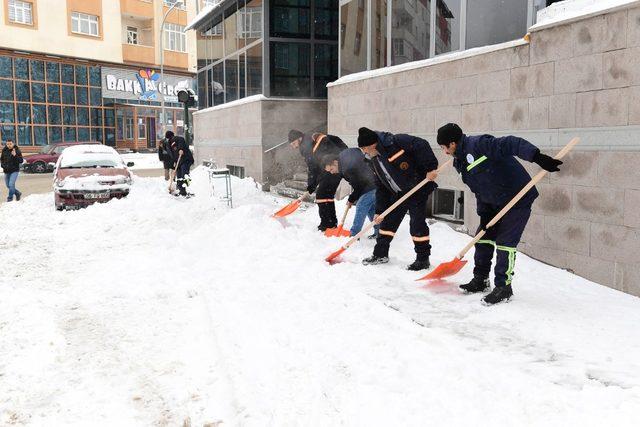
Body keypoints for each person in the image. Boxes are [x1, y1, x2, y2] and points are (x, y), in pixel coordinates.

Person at [435, 123, 562, 305]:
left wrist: (537, 157)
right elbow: (479, 188)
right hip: (494, 203)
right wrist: (485, 213)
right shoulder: (460, 162)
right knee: (483, 238)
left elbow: (510, 143)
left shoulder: (479, 144)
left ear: (452, 144)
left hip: (518, 198)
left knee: (505, 243)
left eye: (444, 147)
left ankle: (504, 287)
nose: (444, 152)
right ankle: (481, 280)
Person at [357, 127, 438, 271]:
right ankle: (380, 254)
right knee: (387, 223)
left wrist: (430, 169)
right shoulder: (373, 160)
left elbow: (422, 145)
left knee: (417, 224)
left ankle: (422, 259)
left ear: (371, 145)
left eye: (364, 148)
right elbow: (381, 186)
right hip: (397, 193)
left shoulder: (395, 142)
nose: (364, 152)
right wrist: (379, 211)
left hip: (416, 188)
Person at [288, 129, 348, 231]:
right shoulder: (310, 138)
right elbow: (316, 165)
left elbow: (313, 168)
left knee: (321, 194)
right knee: (326, 194)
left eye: (294, 143)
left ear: (299, 138)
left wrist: (311, 185)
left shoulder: (306, 146)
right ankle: (331, 224)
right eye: (291, 145)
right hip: (336, 164)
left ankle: (327, 225)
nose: (294, 146)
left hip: (334, 167)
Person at [322, 150, 378, 238]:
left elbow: (359, 186)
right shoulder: (343, 156)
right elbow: (356, 150)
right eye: (329, 171)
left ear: (335, 162)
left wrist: (351, 199)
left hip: (371, 184)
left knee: (361, 206)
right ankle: (379, 231)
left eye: (331, 169)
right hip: (373, 181)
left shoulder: (347, 169)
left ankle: (353, 235)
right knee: (371, 209)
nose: (332, 172)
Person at [167, 131, 194, 197]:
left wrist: (181, 149)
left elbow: (181, 139)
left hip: (185, 159)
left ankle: (187, 183)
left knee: (184, 174)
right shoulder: (169, 145)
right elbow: (173, 157)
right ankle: (182, 192)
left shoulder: (175, 139)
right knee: (179, 177)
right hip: (179, 162)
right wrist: (172, 167)